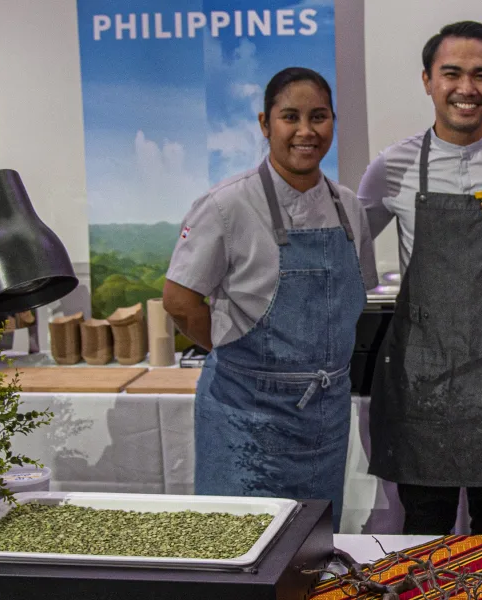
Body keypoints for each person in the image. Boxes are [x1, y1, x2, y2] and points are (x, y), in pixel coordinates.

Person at [359, 20, 482, 535]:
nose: (466, 88)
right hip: (420, 383)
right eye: (452, 73)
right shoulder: (392, 167)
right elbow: (347, 243)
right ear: (427, 79)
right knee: (424, 529)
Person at [163, 67, 377, 522]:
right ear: (265, 124)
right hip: (244, 416)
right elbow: (179, 302)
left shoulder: (349, 208)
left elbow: (360, 293)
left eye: (318, 117)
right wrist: (240, 358)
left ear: (333, 122)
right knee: (237, 546)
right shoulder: (226, 205)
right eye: (290, 117)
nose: (306, 131)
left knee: (314, 550)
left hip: (325, 415)